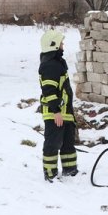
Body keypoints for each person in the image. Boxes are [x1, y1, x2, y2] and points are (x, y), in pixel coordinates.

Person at [39, 29, 77, 182]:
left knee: (68, 142)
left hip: (64, 111)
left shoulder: (56, 63)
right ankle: (50, 173)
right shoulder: (50, 66)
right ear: (53, 45)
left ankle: (70, 169)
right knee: (53, 143)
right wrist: (56, 111)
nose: (63, 44)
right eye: (61, 42)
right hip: (55, 113)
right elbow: (49, 91)